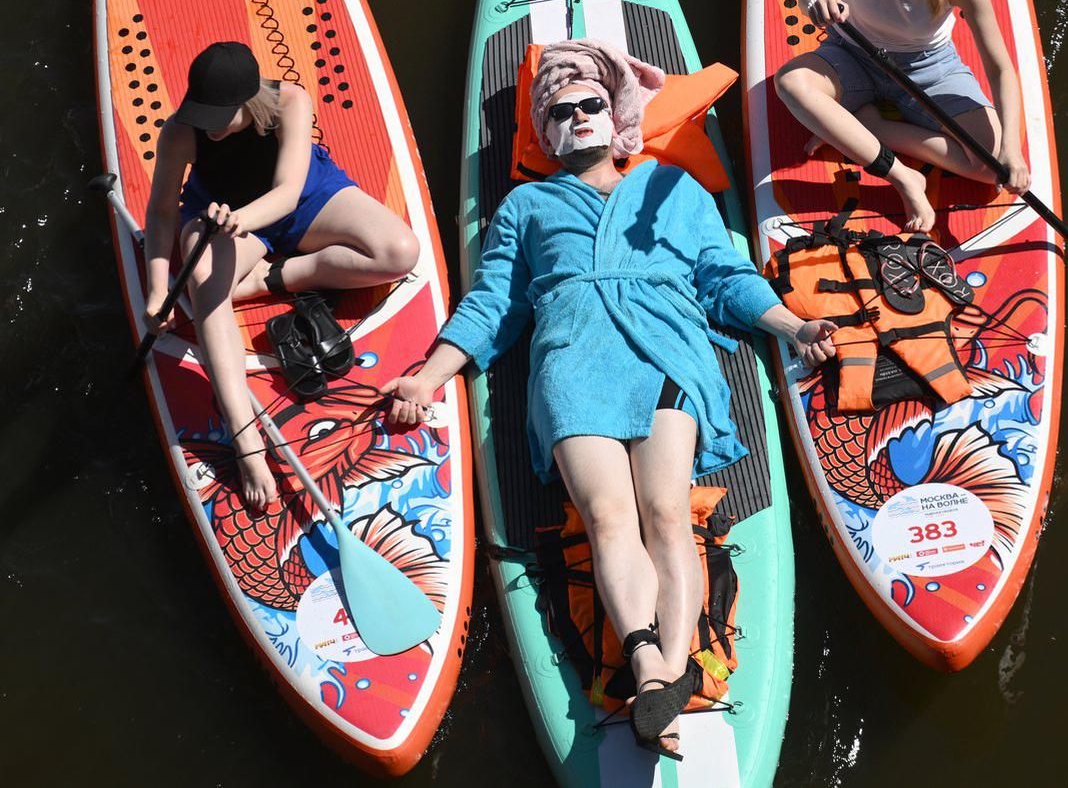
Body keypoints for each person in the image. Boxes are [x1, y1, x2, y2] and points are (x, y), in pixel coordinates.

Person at [384, 38, 834, 759]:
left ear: (616, 112)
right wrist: (428, 375)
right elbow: (495, 303)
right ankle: (650, 660)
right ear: (546, 132)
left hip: (664, 347)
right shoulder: (526, 205)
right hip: (571, 360)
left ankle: (674, 666)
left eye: (591, 104)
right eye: (558, 113)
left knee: (664, 510)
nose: (577, 118)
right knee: (605, 514)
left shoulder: (671, 187)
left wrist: (792, 323)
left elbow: (724, 274)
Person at [143, 41, 421, 512]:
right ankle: (246, 441)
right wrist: (155, 289)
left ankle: (272, 278)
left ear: (249, 102)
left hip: (298, 201)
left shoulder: (290, 101)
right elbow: (161, 212)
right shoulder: (180, 131)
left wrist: (245, 221)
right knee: (208, 288)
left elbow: (289, 191)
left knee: (400, 252)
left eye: (217, 118)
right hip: (222, 213)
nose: (207, 130)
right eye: (200, 115)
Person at [775, 0, 1032, 231]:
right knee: (791, 82)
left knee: (992, 167)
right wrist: (819, 1)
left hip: (928, 66)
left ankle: (871, 126)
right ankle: (903, 177)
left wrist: (1011, 150)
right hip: (853, 52)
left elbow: (1000, 67)